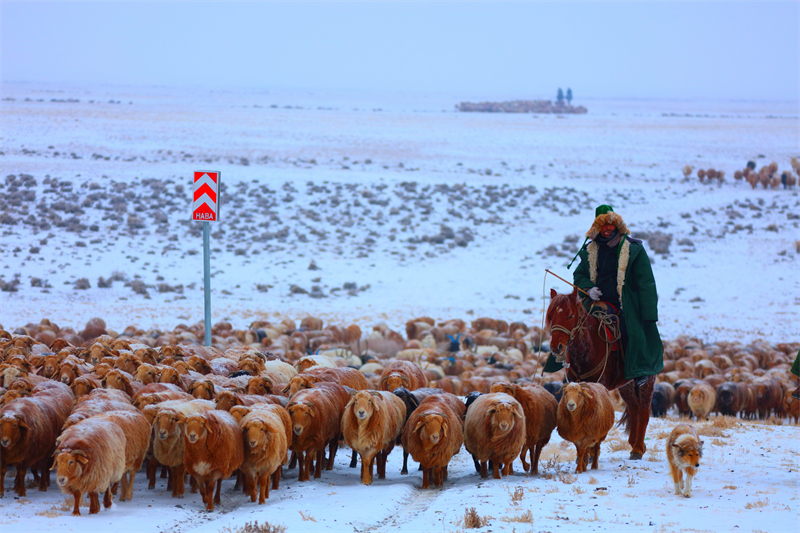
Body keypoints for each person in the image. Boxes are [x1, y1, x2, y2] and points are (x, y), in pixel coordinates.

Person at [570, 204, 663, 388]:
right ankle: (568, 367)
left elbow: (646, 282)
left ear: (617, 225)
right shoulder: (590, 249)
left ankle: (638, 371)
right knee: (572, 329)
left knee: (632, 332)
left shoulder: (633, 249)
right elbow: (579, 275)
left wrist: (648, 313)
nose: (607, 229)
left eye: (610, 225)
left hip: (625, 305)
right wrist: (589, 289)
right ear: (596, 227)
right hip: (595, 303)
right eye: (603, 225)